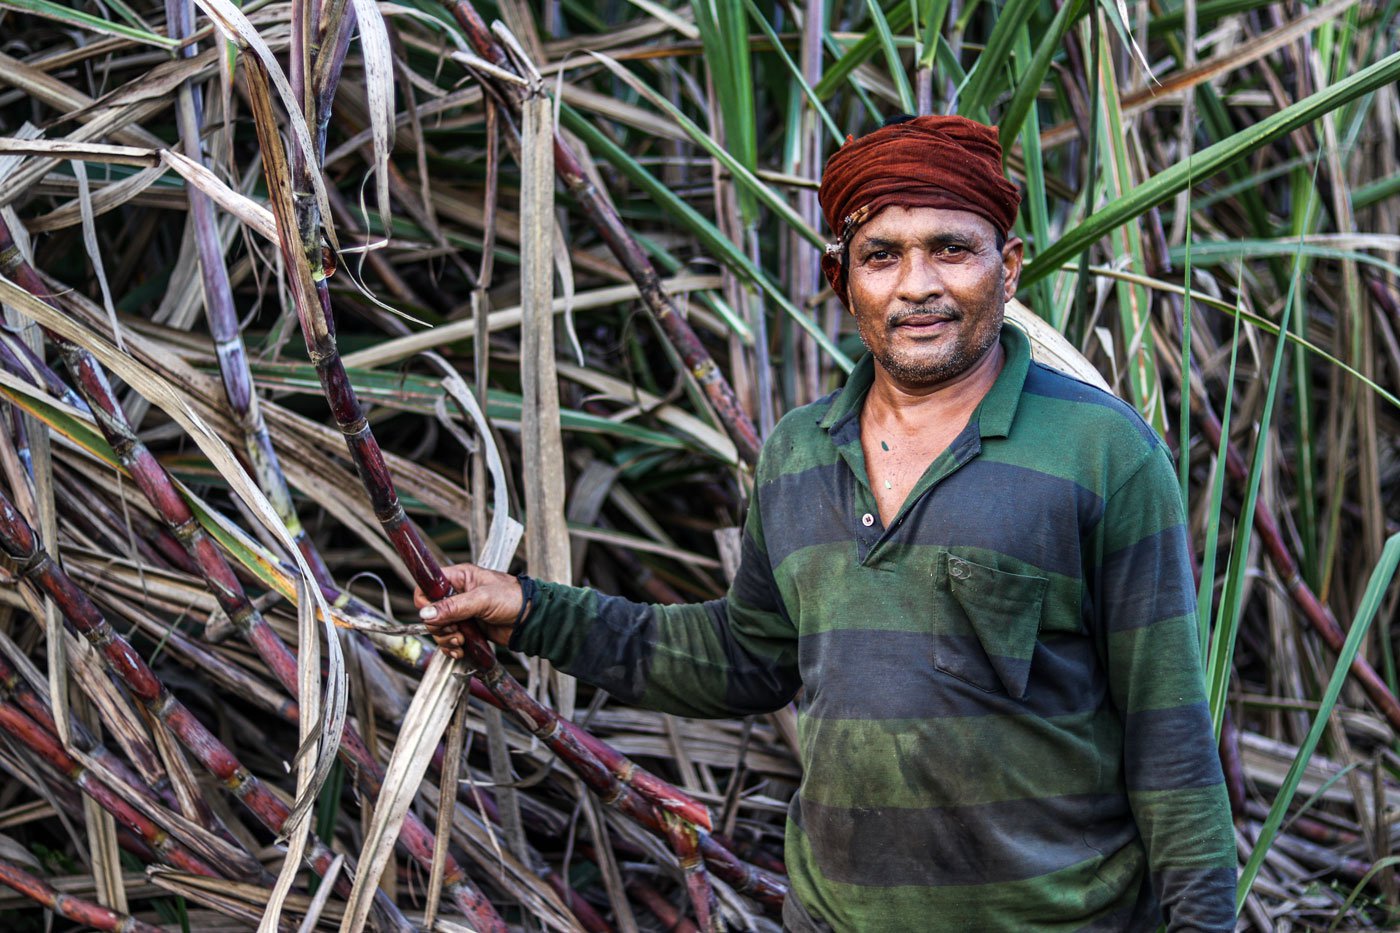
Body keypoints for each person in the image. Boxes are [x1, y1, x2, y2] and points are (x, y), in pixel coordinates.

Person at [416, 115, 1236, 931]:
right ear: (844, 282)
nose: (918, 285)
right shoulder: (799, 453)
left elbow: (1169, 733)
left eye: (951, 248)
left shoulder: (1101, 453)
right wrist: (531, 609)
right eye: (883, 255)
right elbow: (745, 656)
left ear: (1008, 267)